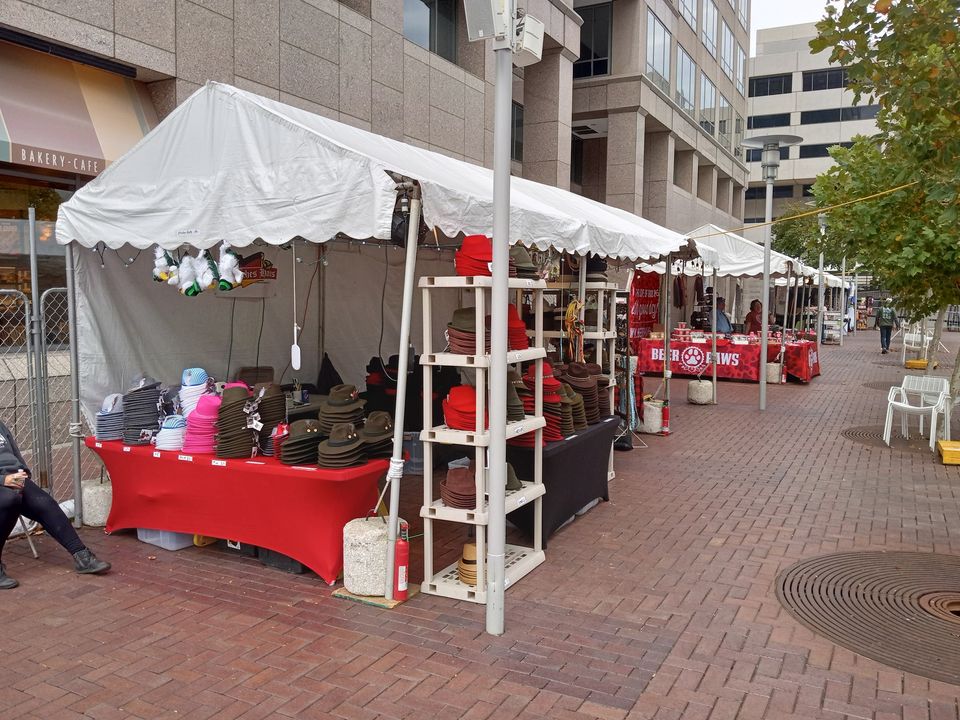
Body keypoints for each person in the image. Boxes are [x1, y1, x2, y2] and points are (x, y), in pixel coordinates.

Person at [0, 420, 110, 589]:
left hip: (13, 478)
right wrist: (3, 480)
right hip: (3, 483)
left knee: (44, 502)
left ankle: (82, 556)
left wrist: (23, 473)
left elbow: (14, 452)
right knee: (10, 500)